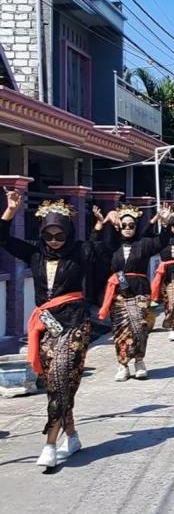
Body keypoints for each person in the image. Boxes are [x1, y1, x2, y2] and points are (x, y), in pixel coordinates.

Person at [0, 190, 110, 469]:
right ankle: (71, 437)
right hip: (46, 327)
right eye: (48, 235)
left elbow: (106, 252)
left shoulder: (81, 251)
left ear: (69, 232)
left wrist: (104, 225)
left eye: (59, 235)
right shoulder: (35, 252)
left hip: (74, 325)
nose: (54, 241)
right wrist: (10, 211)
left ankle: (49, 444)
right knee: (58, 386)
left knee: (61, 380)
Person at [98, 203, 170, 381]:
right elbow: (94, 247)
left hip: (139, 291)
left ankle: (139, 361)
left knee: (140, 327)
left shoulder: (143, 244)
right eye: (124, 225)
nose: (128, 229)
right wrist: (102, 224)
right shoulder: (112, 245)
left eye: (131, 226)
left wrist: (165, 224)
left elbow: (161, 242)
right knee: (121, 330)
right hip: (118, 293)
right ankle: (123, 365)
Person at [150, 211, 174, 341]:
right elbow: (147, 235)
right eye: (173, 225)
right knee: (168, 302)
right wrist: (162, 221)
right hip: (166, 274)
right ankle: (172, 325)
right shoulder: (163, 240)